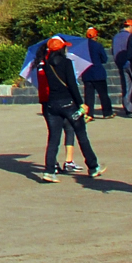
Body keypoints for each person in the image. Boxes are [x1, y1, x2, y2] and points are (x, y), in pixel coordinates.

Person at [37, 37, 99, 182]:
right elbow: (72, 85)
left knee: (53, 138)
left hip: (52, 104)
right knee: (81, 134)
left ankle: (49, 171)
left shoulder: (46, 64)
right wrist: (81, 104)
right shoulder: (66, 63)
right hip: (68, 103)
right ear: (60, 49)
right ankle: (93, 166)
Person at [81, 28, 113, 118]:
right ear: (95, 36)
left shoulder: (83, 47)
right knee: (103, 94)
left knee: (89, 96)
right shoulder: (98, 46)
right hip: (98, 73)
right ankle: (107, 113)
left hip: (86, 73)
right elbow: (104, 59)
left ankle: (89, 114)